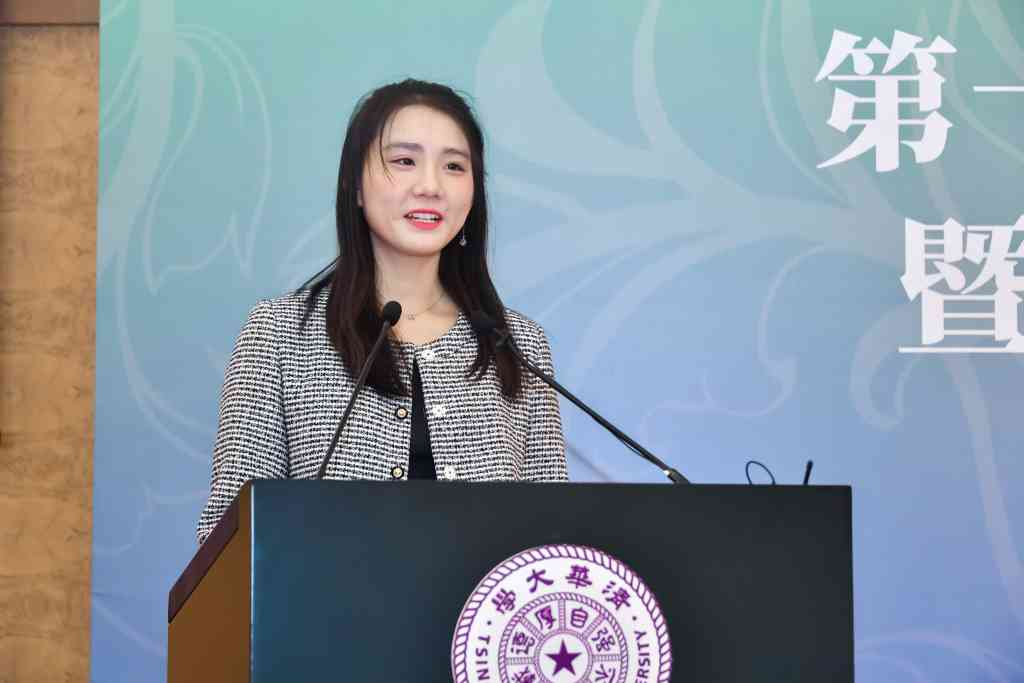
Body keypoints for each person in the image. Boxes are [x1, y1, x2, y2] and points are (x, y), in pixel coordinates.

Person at [196, 79, 568, 544]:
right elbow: (229, 536)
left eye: (454, 166)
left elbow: (554, 542)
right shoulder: (279, 333)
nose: (430, 186)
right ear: (354, 185)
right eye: (404, 161)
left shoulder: (518, 345)